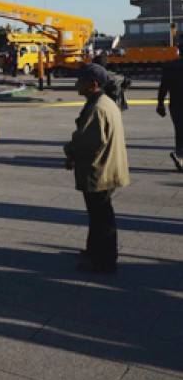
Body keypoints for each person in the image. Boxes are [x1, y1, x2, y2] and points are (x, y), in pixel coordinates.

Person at [64, 63, 129, 274]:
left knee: (101, 217)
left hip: (100, 170)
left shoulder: (98, 108)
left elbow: (88, 142)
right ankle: (95, 252)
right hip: (107, 167)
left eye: (81, 80)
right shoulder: (103, 102)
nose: (77, 84)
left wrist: (70, 150)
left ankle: (104, 259)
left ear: (93, 84)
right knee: (99, 215)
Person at [156, 50, 183, 172]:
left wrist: (160, 103)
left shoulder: (170, 66)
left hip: (176, 104)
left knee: (179, 129)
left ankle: (180, 153)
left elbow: (163, 87)